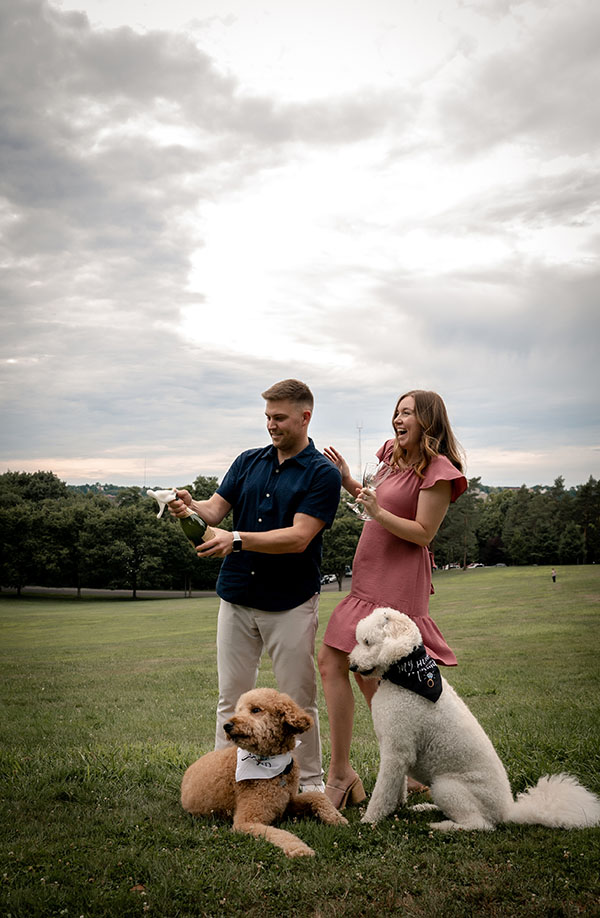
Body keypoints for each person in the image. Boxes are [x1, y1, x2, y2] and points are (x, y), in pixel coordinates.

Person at [170, 379, 342, 791]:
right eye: (267, 417)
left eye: (279, 417)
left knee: (299, 705)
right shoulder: (248, 461)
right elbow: (214, 510)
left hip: (290, 603)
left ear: (305, 417)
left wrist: (237, 539)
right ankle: (223, 782)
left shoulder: (322, 474)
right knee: (230, 701)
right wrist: (188, 507)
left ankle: (310, 785)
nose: (271, 425)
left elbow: (299, 537)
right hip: (236, 598)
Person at [317, 389, 467, 809]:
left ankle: (396, 771)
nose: (397, 420)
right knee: (336, 661)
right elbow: (369, 503)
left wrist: (379, 512)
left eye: (406, 413)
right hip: (368, 576)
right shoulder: (390, 455)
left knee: (385, 680)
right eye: (396, 413)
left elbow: (422, 533)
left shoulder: (439, 470)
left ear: (428, 422)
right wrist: (349, 479)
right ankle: (348, 772)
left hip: (399, 581)